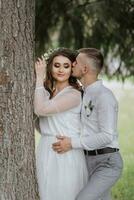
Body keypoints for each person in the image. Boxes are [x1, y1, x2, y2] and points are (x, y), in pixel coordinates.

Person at [52, 48, 123, 200]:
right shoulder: (82, 93)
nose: (72, 64)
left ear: (84, 69)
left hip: (107, 162)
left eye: (76, 62)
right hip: (87, 160)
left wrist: (72, 143)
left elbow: (107, 135)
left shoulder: (104, 96)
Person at [34, 48, 88, 200]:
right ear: (50, 67)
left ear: (72, 69)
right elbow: (41, 124)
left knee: (64, 194)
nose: (61, 70)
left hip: (65, 152)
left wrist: (39, 77)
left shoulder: (74, 94)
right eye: (57, 65)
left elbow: (40, 109)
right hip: (46, 149)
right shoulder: (48, 93)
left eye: (66, 66)